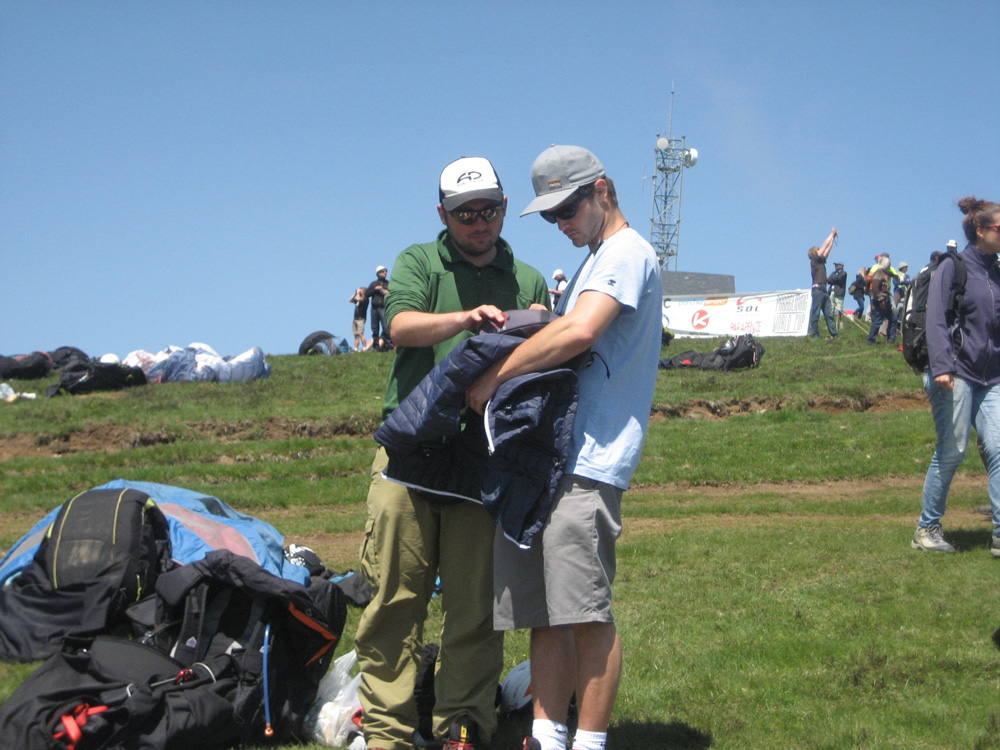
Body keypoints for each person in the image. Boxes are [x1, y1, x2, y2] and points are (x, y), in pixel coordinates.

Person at [465, 145, 663, 750]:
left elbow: (580, 331)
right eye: (550, 217)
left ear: (602, 190)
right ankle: (548, 737)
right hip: (549, 459)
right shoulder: (595, 259)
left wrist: (494, 378)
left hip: (588, 462)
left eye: (568, 208)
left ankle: (590, 741)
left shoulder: (626, 252)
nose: (562, 225)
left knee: (584, 612)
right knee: (542, 613)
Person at [354, 156, 550, 750]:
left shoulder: (530, 280)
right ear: (443, 215)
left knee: (475, 611)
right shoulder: (418, 261)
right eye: (465, 213)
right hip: (409, 453)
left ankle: (461, 728)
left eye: (489, 210)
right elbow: (401, 326)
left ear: (505, 207)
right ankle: (386, 733)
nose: (479, 223)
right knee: (392, 600)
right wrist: (466, 319)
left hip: (481, 462)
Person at [912, 196, 1000, 555]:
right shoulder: (954, 266)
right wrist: (944, 366)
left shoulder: (997, 272)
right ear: (980, 230)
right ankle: (926, 528)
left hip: (991, 377)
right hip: (956, 372)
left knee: (999, 448)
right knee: (953, 450)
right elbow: (935, 319)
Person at [807, 228, 840, 339]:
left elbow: (827, 250)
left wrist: (833, 238)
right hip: (817, 290)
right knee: (815, 313)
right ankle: (814, 334)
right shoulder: (815, 260)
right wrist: (831, 233)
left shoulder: (820, 261)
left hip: (823, 290)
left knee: (829, 314)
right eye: (818, 250)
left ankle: (834, 334)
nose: (820, 250)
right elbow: (824, 246)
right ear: (814, 253)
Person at [866, 254, 898, 344]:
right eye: (888, 263)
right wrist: (881, 300)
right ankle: (870, 340)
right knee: (878, 321)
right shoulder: (879, 274)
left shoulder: (885, 273)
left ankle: (891, 339)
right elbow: (875, 288)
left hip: (886, 300)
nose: (890, 265)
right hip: (881, 301)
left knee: (893, 319)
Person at [365, 265, 391, 351]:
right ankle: (376, 347)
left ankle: (389, 346)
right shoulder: (373, 284)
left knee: (385, 328)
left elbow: (390, 293)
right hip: (374, 308)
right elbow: (367, 294)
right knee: (375, 328)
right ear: (378, 273)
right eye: (383, 271)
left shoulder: (388, 283)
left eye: (385, 271)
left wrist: (382, 290)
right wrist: (374, 290)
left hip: (383, 308)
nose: (385, 273)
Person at [827, 261, 847, 329]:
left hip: (839, 292)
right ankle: (830, 325)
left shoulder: (844, 273)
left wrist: (834, 279)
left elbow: (839, 279)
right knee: (831, 308)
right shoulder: (833, 273)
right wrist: (834, 279)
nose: (836, 266)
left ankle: (841, 324)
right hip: (831, 292)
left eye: (837, 265)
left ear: (841, 266)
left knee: (840, 309)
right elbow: (828, 280)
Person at [349, 286, 369, 352]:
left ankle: (364, 347)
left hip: (361, 318)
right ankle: (355, 348)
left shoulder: (365, 299)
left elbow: (358, 299)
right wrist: (355, 293)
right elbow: (350, 300)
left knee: (360, 333)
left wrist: (358, 293)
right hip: (355, 319)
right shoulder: (358, 300)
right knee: (356, 335)